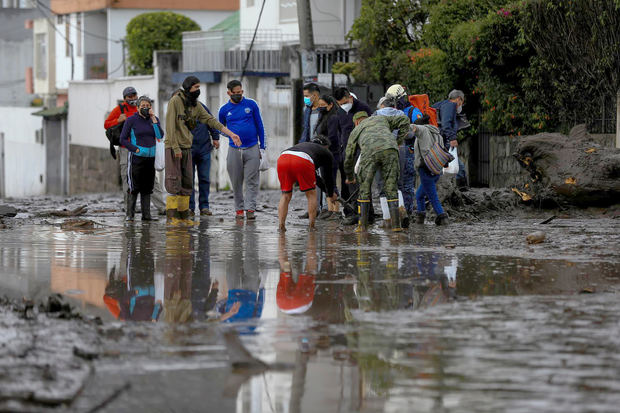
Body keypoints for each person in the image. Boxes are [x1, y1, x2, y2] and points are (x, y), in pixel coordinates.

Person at [165, 76, 240, 224]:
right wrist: (175, 148)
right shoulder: (175, 101)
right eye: (196, 87)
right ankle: (173, 218)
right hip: (174, 148)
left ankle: (184, 216)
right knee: (174, 181)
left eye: (199, 87)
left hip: (188, 147)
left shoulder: (196, 105)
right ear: (188, 88)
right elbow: (170, 127)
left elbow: (211, 120)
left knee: (187, 183)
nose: (198, 90)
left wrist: (231, 133)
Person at [344, 111, 410, 232]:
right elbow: (404, 120)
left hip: (369, 152)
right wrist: (398, 140)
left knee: (364, 188)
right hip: (390, 149)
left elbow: (349, 155)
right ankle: (396, 226)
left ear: (357, 122)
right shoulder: (381, 118)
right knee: (391, 187)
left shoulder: (357, 129)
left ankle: (362, 226)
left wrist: (349, 176)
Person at [218, 79, 266, 221]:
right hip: (234, 150)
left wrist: (262, 147)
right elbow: (220, 128)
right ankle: (239, 209)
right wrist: (230, 135)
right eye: (235, 93)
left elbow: (260, 126)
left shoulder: (251, 105)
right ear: (229, 93)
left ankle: (250, 208)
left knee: (252, 180)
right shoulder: (224, 110)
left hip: (252, 147)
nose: (239, 95)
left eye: (240, 92)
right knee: (236, 181)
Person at [276, 135, 338, 232]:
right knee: (311, 194)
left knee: (285, 195)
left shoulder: (304, 146)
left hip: (283, 157)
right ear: (325, 146)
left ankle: (281, 226)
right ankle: (311, 226)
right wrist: (330, 194)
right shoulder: (326, 152)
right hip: (303, 160)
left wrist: (328, 192)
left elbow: (317, 179)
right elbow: (327, 177)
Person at [119, 96, 163, 221]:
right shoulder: (131, 120)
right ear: (137, 108)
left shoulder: (154, 120)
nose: (145, 108)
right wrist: (135, 149)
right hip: (136, 158)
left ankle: (146, 215)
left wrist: (153, 118)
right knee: (134, 186)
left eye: (147, 106)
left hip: (151, 158)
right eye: (142, 106)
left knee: (148, 187)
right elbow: (122, 139)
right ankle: (130, 215)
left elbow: (160, 135)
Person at [333, 87, 372, 222]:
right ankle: (351, 211)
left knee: (362, 183)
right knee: (348, 183)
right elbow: (339, 131)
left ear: (350, 97)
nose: (343, 106)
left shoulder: (363, 108)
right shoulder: (339, 112)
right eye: (340, 104)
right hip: (346, 151)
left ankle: (366, 213)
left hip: (361, 150)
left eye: (344, 102)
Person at [105, 87, 138, 207]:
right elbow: (106, 124)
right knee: (126, 177)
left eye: (134, 95)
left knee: (149, 178)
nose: (133, 98)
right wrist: (118, 120)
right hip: (125, 148)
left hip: (142, 148)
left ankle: (160, 207)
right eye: (130, 96)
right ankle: (129, 207)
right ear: (124, 99)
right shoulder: (120, 109)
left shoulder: (141, 107)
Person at [412, 123, 450, 226]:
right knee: (419, 195)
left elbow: (413, 127)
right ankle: (420, 218)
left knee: (433, 197)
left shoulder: (422, 131)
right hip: (437, 169)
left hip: (425, 168)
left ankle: (443, 218)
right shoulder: (437, 133)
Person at [313, 95, 342, 219]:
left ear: (330, 105)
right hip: (323, 153)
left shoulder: (333, 118)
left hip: (331, 154)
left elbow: (333, 137)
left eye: (322, 106)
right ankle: (330, 209)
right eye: (319, 106)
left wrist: (326, 147)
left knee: (331, 180)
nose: (320, 108)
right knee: (326, 180)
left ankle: (335, 211)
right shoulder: (323, 117)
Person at [189, 102, 220, 216]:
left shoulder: (201, 106)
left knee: (204, 179)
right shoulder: (178, 110)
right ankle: (190, 207)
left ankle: (204, 206)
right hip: (188, 150)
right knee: (189, 180)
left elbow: (211, 121)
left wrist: (215, 138)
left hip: (204, 149)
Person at [432, 89, 467, 188]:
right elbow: (446, 124)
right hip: (444, 142)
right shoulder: (450, 106)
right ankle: (463, 190)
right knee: (459, 168)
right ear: (459, 99)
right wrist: (452, 138)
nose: (461, 105)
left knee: (445, 168)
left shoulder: (442, 105)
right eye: (462, 102)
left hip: (439, 141)